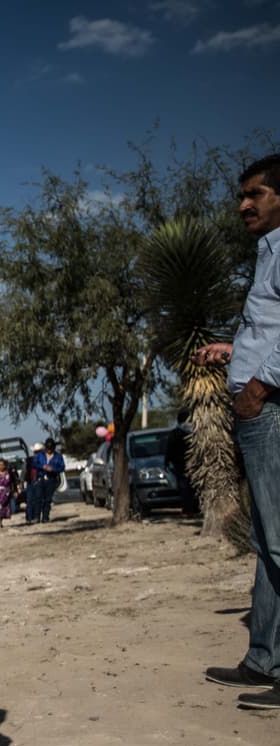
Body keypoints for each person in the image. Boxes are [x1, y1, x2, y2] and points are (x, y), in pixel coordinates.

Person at [196, 154, 280, 711]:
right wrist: (236, 352)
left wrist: (260, 384)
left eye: (255, 194)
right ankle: (263, 659)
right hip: (261, 407)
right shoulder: (268, 253)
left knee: (278, 540)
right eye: (241, 195)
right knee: (268, 543)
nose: (243, 204)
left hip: (268, 408)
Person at [164, 410, 200, 516]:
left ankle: (191, 508)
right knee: (186, 487)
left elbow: (169, 450)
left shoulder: (188, 432)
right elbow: (170, 450)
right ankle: (189, 509)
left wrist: (167, 461)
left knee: (189, 486)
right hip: (182, 465)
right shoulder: (181, 433)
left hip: (187, 464)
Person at [29, 439, 65, 523]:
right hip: (40, 478)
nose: (49, 450)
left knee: (48, 499)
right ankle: (37, 517)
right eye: (48, 449)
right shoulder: (40, 455)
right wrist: (42, 466)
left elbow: (62, 467)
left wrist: (53, 469)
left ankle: (45, 517)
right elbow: (34, 464)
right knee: (38, 498)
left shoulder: (58, 456)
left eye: (51, 449)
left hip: (51, 479)